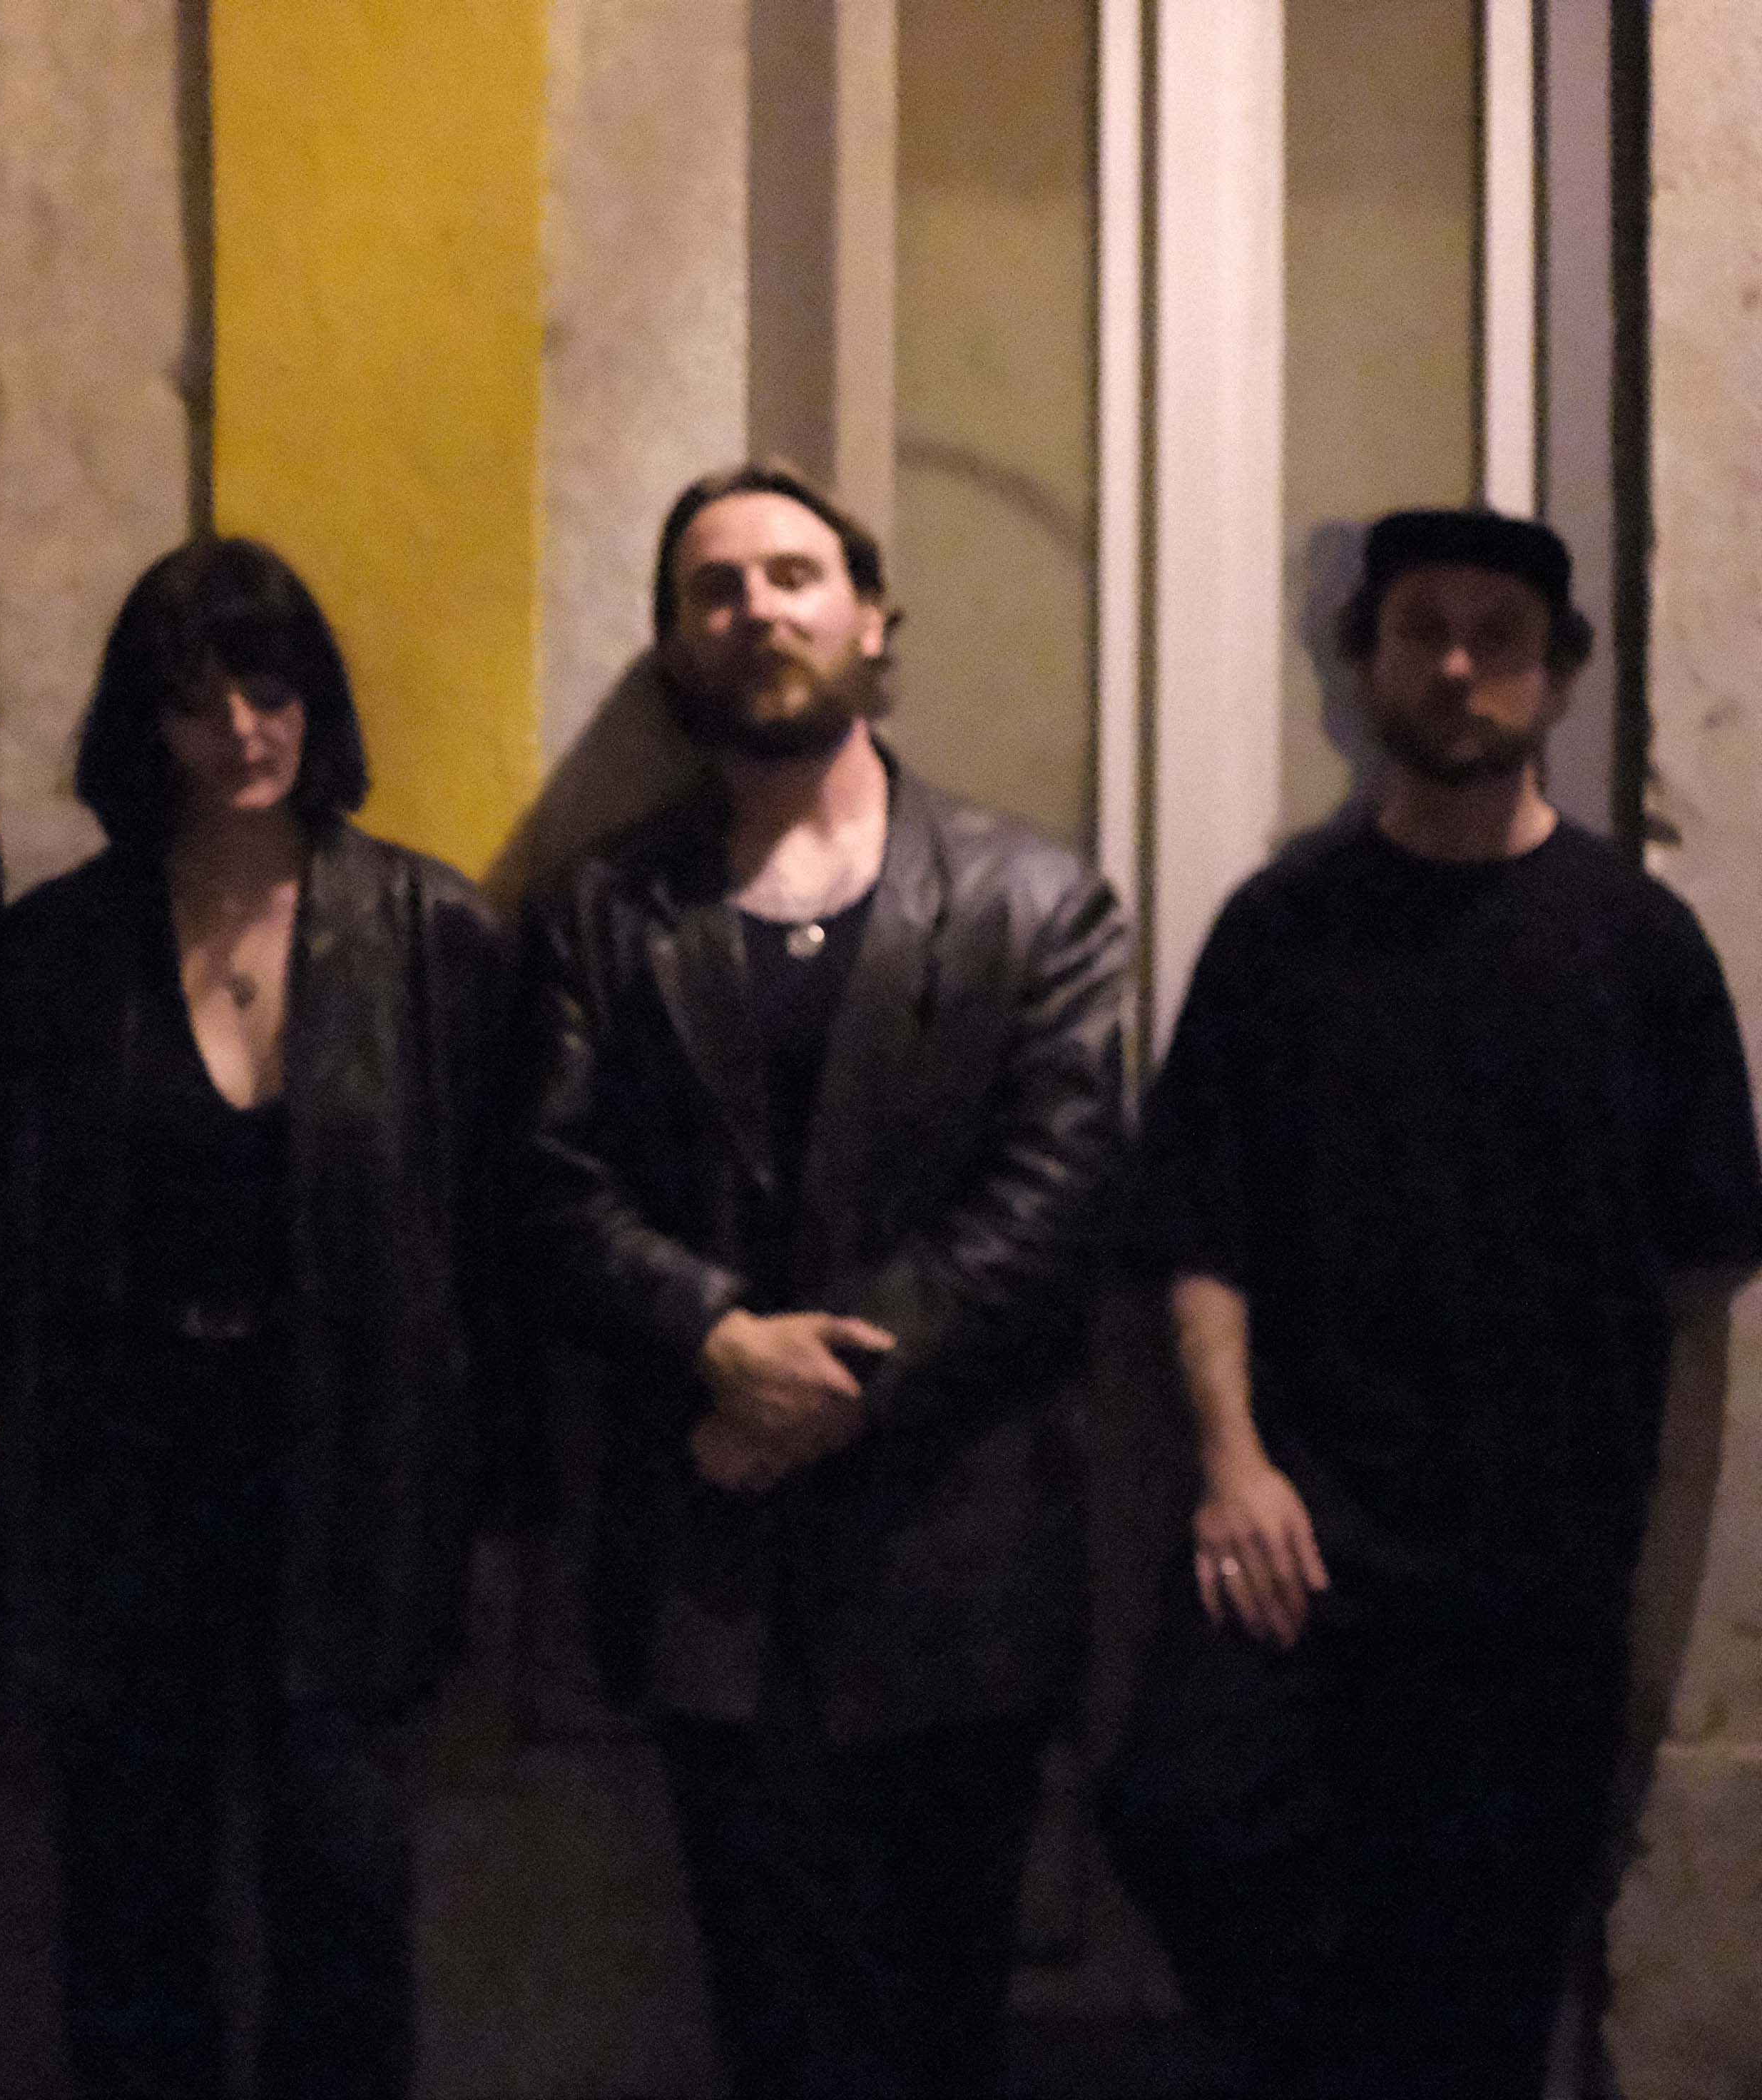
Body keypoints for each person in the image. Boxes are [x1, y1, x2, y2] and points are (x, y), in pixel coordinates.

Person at [1099, 508, 1762, 2099]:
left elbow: (1707, 1258)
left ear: (1560, 674)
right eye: (1422, 630)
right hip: (1302, 1533)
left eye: (1498, 636)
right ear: (1368, 660)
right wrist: (1231, 1462)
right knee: (1178, 1812)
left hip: (1532, 1569)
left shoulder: (1641, 947)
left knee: (1481, 1988)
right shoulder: (1281, 931)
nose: (1458, 666)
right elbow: (1198, 1222)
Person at [519, 461, 1129, 2098]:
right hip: (716, 1567)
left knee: (944, 2026)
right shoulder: (602, 908)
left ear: (871, 617)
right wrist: (716, 1335)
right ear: (672, 642)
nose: (758, 610)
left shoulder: (1036, 897)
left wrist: (831, 1387)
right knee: (774, 2025)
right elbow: (550, 1184)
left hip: (959, 1553)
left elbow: (1061, 1192)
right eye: (715, 587)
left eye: (795, 575)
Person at [0, 536, 511, 2100]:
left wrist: (499, 1501)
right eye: (197, 696)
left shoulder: (428, 932)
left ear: (315, 701)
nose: (239, 727)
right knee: (129, 1889)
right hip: (124, 1465)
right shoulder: (61, 946)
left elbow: (493, 1236)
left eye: (269, 687)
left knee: (343, 1883)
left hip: (349, 1457)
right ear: (143, 722)